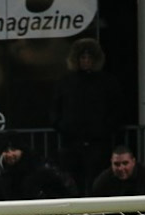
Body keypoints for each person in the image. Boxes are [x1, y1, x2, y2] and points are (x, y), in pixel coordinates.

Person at [50, 37, 123, 196]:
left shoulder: (107, 82)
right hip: (71, 144)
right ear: (76, 59)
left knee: (97, 183)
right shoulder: (65, 82)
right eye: (82, 57)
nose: (86, 61)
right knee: (71, 183)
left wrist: (103, 130)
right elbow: (55, 111)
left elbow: (117, 111)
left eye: (90, 57)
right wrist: (64, 127)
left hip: (98, 144)